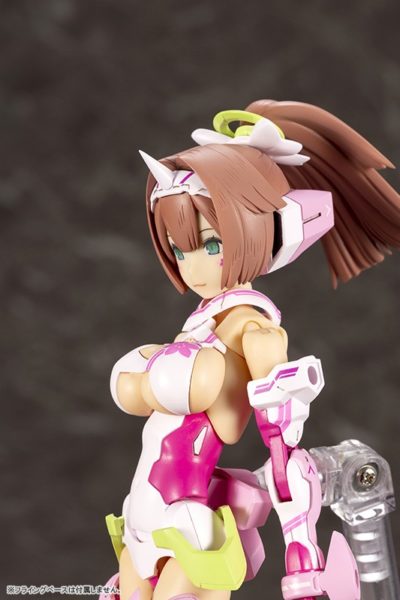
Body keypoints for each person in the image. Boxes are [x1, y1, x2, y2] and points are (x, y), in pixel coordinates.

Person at [101, 101, 400, 600]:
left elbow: (282, 439)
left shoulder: (252, 329)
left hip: (187, 519)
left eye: (211, 245)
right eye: (179, 248)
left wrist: (301, 545)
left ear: (269, 229)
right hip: (141, 516)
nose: (194, 266)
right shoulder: (199, 326)